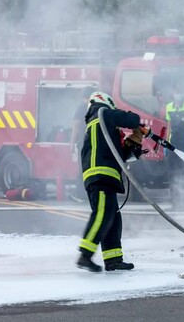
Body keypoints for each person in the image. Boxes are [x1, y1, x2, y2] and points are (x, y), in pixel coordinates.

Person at [77, 91, 146, 272]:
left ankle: (113, 259)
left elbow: (119, 155)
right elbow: (130, 119)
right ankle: (85, 254)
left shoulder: (102, 125)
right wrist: (138, 122)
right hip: (100, 175)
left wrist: (134, 146)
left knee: (113, 217)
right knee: (103, 214)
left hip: (105, 175)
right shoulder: (102, 113)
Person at [70, 87, 92, 203]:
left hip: (84, 142)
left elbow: (76, 126)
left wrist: (72, 143)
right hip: (96, 143)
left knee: (82, 168)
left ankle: (80, 194)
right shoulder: (98, 108)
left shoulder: (82, 108)